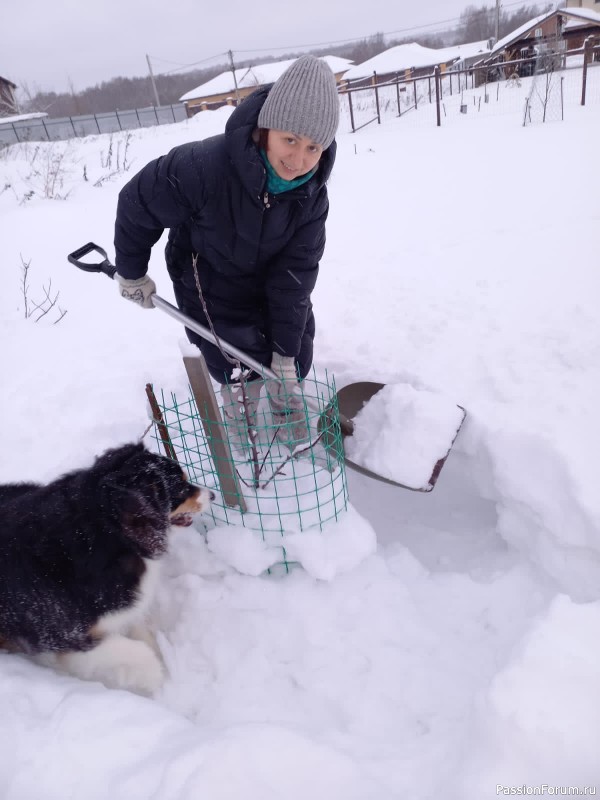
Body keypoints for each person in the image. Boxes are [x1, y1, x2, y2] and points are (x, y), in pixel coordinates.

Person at [114, 55, 339, 450]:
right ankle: (241, 411)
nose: (298, 160)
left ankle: (286, 401)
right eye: (289, 139)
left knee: (294, 344)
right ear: (267, 127)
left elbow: (296, 274)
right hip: (209, 273)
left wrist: (285, 358)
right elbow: (138, 204)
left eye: (313, 147)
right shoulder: (201, 167)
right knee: (232, 354)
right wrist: (131, 272)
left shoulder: (311, 195)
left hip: (271, 274)